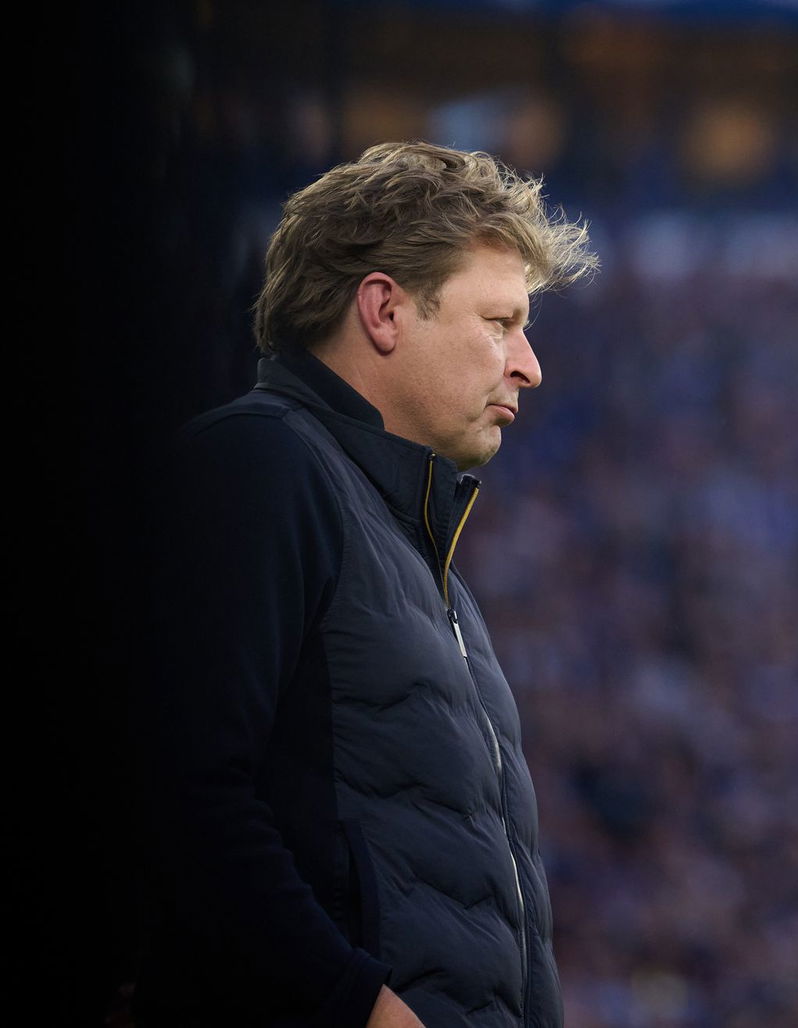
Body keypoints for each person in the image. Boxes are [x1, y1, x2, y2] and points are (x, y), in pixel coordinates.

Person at [138, 142, 596, 1027]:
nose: (529, 365)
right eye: (500, 324)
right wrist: (359, 1004)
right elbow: (182, 791)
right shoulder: (261, 463)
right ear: (384, 310)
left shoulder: (423, 557)